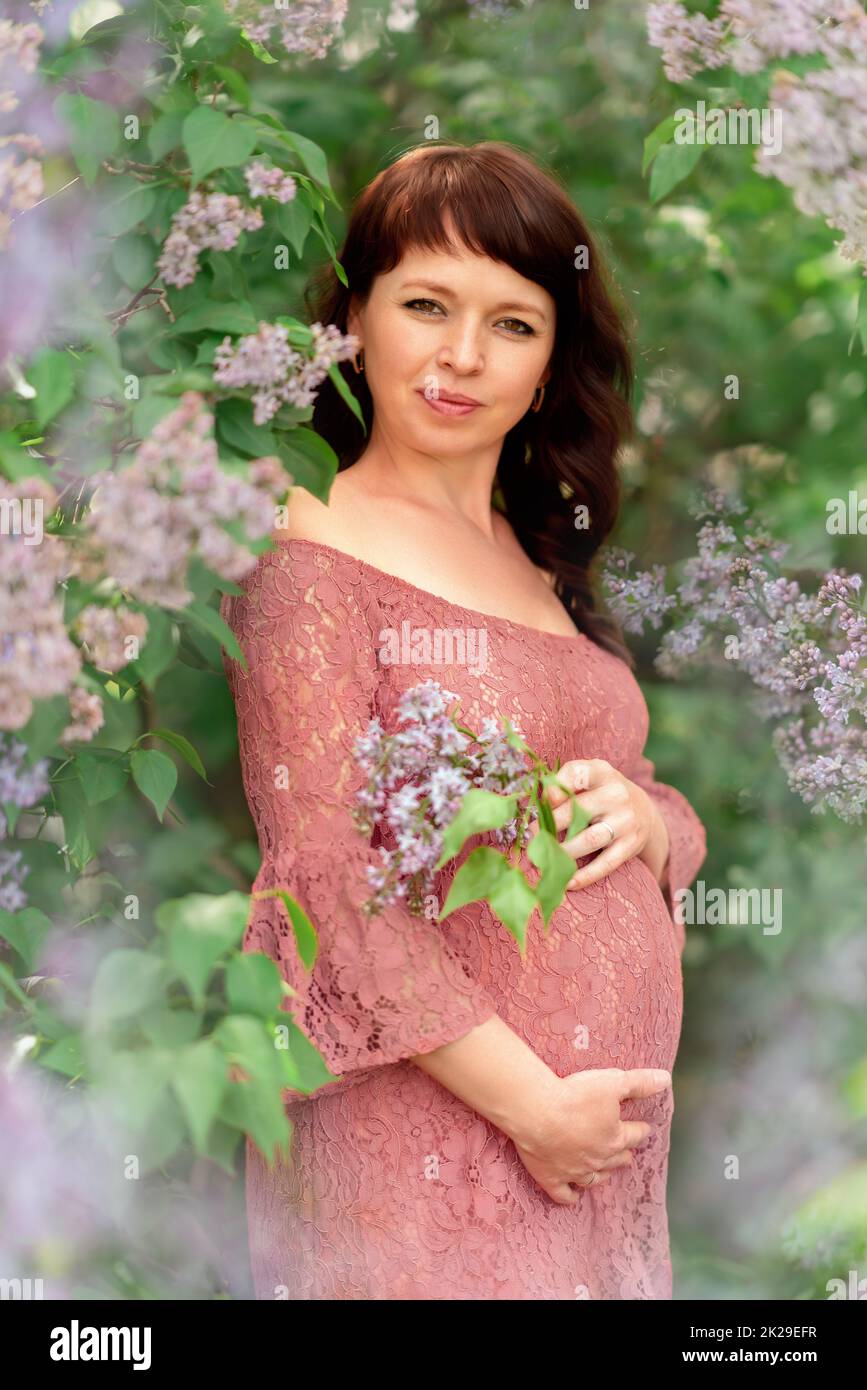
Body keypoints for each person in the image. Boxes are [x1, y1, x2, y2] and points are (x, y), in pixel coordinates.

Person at [220, 141, 707, 1300]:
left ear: (551, 362)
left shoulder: (537, 554)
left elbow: (639, 791)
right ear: (356, 319)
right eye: (427, 305)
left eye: (513, 323)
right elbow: (324, 881)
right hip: (433, 1139)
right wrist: (534, 1107)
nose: (461, 356)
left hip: (589, 1158)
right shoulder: (310, 548)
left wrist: (650, 820)